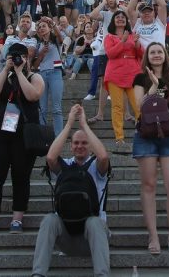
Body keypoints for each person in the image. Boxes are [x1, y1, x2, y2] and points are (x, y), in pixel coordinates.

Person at [32, 103, 111, 277]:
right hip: (66, 239)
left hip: (92, 239)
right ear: (70, 146)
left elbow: (104, 156)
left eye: (84, 143)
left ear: (90, 146)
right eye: (76, 143)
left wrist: (84, 125)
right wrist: (69, 124)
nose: (79, 146)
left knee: (94, 221)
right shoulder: (65, 166)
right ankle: (38, 274)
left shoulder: (96, 168)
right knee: (49, 220)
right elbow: (51, 157)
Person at [0, 41, 45, 234]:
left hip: (25, 133)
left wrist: (21, 72)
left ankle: (17, 219)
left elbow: (33, 96)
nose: (16, 59)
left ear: (28, 58)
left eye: (20, 56)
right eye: (13, 56)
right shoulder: (5, 75)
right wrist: (6, 69)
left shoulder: (34, 76)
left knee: (21, 175)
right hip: (2, 131)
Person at [129, 41, 169, 253]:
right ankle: (153, 237)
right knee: (149, 185)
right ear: (147, 56)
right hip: (146, 135)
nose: (156, 55)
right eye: (152, 52)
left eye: (159, 52)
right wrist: (154, 85)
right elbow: (140, 107)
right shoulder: (140, 78)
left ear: (165, 55)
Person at [103, 10, 143, 147]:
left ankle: (143, 133)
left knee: (139, 106)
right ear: (113, 21)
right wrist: (123, 41)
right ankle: (119, 137)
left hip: (133, 73)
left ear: (126, 21)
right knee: (117, 107)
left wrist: (137, 44)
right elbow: (110, 54)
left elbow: (141, 54)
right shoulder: (109, 37)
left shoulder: (133, 35)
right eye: (117, 17)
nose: (120, 19)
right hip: (115, 74)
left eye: (123, 17)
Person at [31, 17, 65, 135]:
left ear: (49, 28)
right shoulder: (37, 44)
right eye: (39, 27)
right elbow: (34, 66)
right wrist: (41, 54)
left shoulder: (55, 40)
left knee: (57, 108)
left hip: (56, 72)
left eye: (44, 26)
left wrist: (53, 23)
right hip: (41, 75)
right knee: (42, 109)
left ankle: (58, 135)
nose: (41, 28)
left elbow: (61, 38)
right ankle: (43, 136)